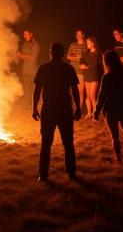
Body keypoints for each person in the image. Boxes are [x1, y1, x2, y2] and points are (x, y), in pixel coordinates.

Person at [32, 42, 81, 181]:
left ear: (50, 53)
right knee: (68, 142)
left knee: (46, 143)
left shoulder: (43, 68)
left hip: (49, 109)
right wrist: (77, 107)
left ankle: (43, 174)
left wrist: (34, 108)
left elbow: (37, 91)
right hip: (64, 109)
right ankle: (71, 173)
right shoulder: (68, 69)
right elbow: (75, 90)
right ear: (63, 54)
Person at [94, 50, 123, 163]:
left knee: (115, 136)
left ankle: (119, 160)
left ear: (107, 62)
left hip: (111, 108)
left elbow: (101, 96)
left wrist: (96, 112)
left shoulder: (107, 76)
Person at [67, 29, 88, 114]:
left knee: (80, 92)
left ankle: (78, 109)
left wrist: (82, 58)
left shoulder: (87, 45)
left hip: (81, 71)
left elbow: (89, 57)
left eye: (80, 34)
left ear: (83, 35)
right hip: (72, 71)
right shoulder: (73, 45)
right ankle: (71, 108)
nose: (78, 36)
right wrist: (76, 57)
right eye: (77, 34)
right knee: (72, 91)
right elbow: (68, 56)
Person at [79, 36, 101, 118]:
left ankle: (95, 113)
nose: (87, 44)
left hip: (94, 75)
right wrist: (82, 65)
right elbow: (81, 61)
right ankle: (89, 113)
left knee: (92, 95)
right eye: (87, 42)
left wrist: (86, 67)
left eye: (88, 42)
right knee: (87, 96)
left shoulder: (98, 53)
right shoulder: (85, 53)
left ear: (93, 43)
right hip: (87, 75)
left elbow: (95, 65)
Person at [16, 30, 40, 102]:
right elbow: (23, 55)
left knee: (34, 88)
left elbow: (33, 58)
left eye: (27, 34)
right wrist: (19, 55)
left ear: (31, 34)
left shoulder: (36, 45)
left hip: (33, 70)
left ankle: (36, 102)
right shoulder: (24, 44)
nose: (25, 36)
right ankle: (27, 103)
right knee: (27, 88)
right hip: (25, 70)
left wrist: (22, 55)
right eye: (24, 34)